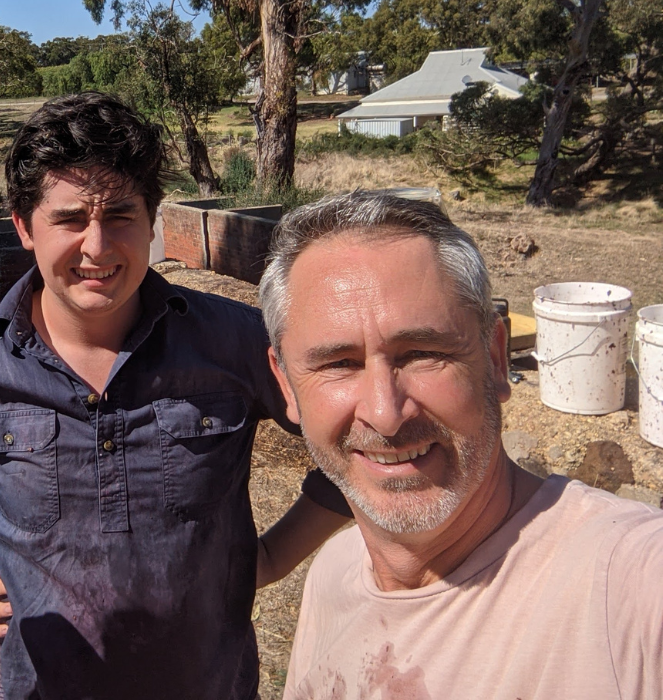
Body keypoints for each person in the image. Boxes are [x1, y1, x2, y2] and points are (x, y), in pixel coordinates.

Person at [0, 92, 353, 700]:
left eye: (120, 215)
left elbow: (358, 432)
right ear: (25, 226)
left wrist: (272, 556)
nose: (98, 246)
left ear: (153, 220)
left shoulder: (235, 341)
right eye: (70, 218)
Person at [258, 190, 663, 699]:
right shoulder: (333, 573)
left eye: (424, 353)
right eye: (339, 364)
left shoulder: (627, 588)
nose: (385, 413)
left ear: (495, 361)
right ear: (287, 387)